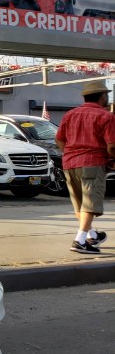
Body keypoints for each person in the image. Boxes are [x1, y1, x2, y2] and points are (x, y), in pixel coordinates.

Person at [55, 79, 115, 254]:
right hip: (92, 163)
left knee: (80, 204)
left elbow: (59, 139)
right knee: (90, 203)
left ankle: (91, 235)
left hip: (70, 164)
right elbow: (112, 146)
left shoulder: (69, 114)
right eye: (106, 95)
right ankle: (80, 241)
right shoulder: (106, 116)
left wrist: (72, 153)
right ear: (102, 96)